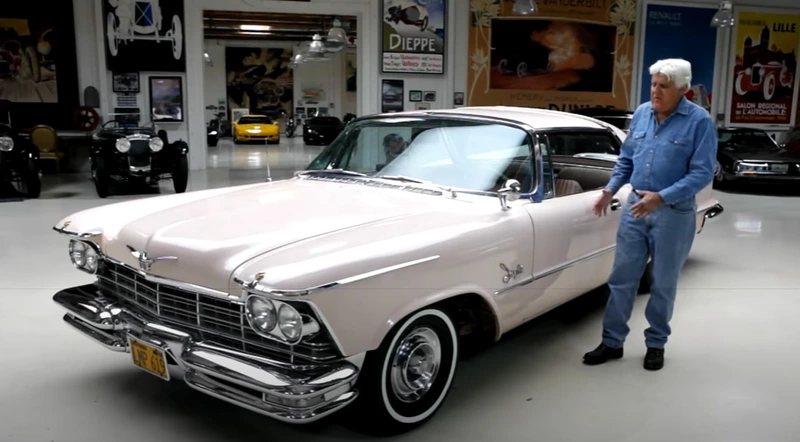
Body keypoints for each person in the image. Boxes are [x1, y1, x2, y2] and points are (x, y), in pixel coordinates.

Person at [583, 58, 718, 371]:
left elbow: (701, 173)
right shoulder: (643, 113)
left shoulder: (699, 122)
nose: (656, 91)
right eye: (654, 84)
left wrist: (662, 198)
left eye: (664, 86)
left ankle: (656, 343)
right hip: (635, 209)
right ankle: (612, 342)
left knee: (663, 283)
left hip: (673, 212)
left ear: (683, 90)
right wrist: (610, 189)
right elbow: (626, 159)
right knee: (621, 279)